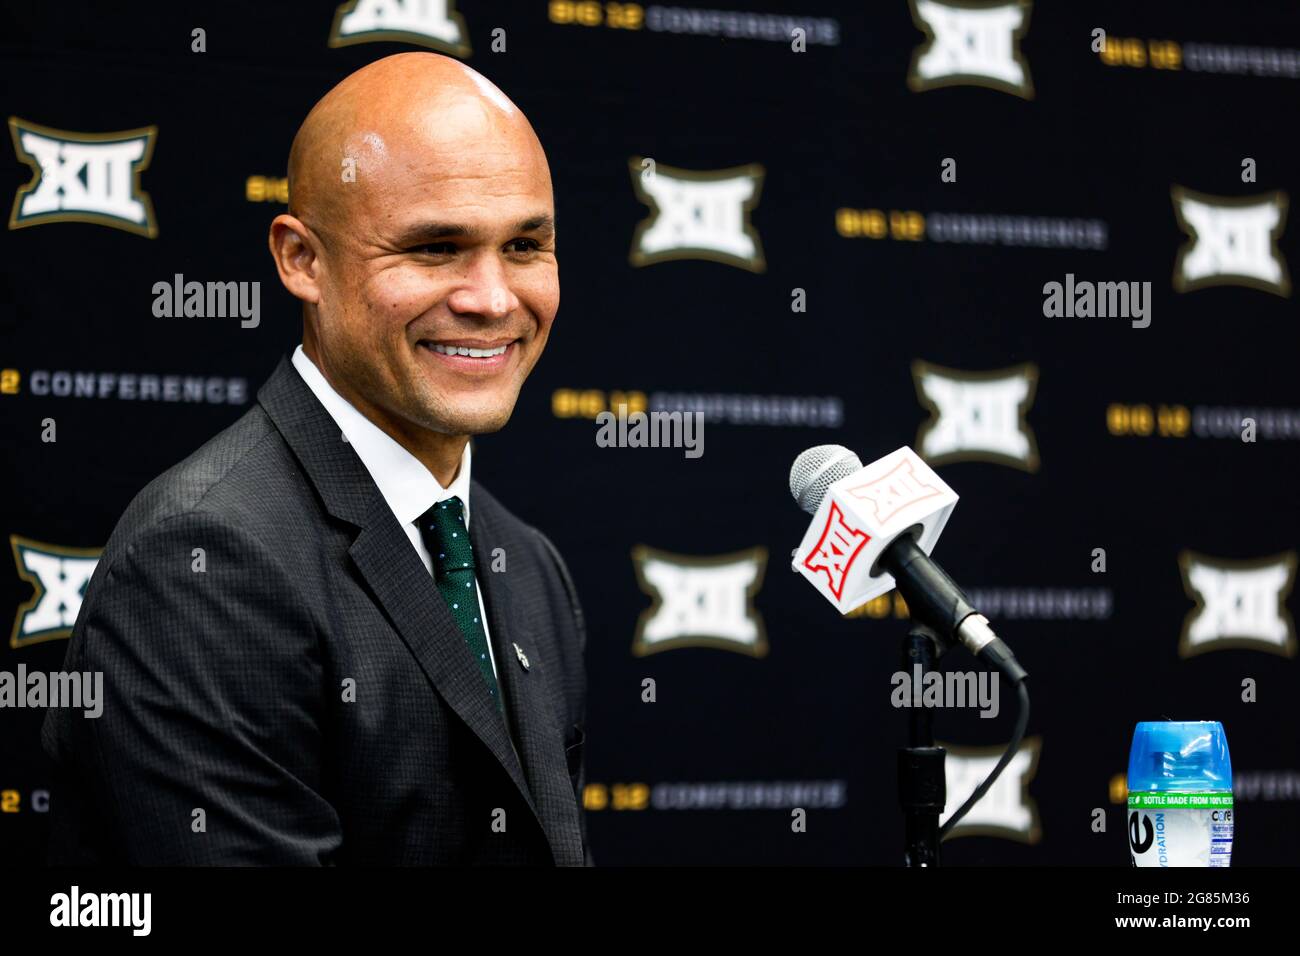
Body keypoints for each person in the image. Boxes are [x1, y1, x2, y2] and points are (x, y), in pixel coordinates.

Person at [42, 52, 591, 865]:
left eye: (524, 245)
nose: (492, 298)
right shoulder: (199, 566)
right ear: (302, 260)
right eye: (435, 248)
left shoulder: (530, 566)